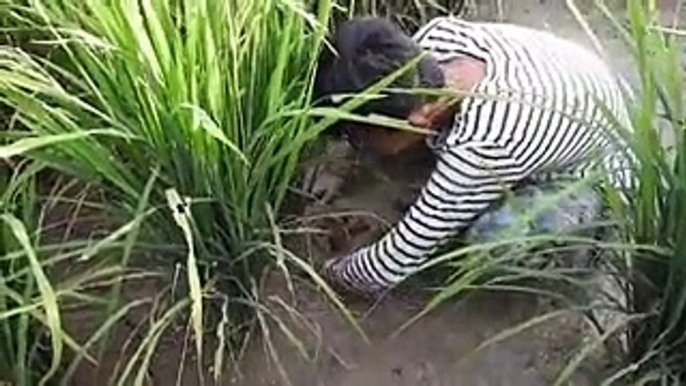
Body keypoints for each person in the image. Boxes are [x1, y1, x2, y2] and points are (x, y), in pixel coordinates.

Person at [312, 16, 631, 298]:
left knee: (489, 241)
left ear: (420, 118)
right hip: (576, 88)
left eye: (355, 135)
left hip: (600, 172)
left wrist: (323, 272)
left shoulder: (483, 149)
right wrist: (337, 168)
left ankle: (574, 252)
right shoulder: (433, 42)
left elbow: (385, 270)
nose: (353, 143)